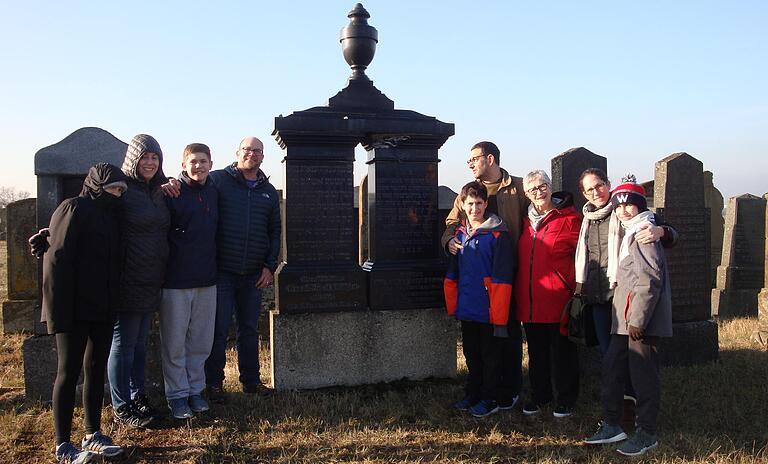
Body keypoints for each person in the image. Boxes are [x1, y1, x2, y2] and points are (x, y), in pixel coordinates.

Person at [163, 137, 280, 399]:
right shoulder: (219, 180)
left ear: (262, 157)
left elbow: (275, 231)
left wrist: (269, 266)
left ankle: (251, 381)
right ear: (237, 153)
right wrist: (171, 181)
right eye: (247, 149)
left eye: (257, 151)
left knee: (249, 329)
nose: (251, 154)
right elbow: (193, 182)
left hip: (253, 273)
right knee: (217, 329)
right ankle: (213, 383)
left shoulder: (269, 191)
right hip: (222, 270)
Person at [575, 168, 677, 422]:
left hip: (623, 292)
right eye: (589, 189)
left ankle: (632, 409)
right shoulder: (587, 217)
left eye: (599, 185)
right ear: (584, 194)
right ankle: (616, 407)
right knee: (610, 355)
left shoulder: (625, 210)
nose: (595, 192)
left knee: (632, 357)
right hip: (598, 295)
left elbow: (659, 228)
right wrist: (581, 285)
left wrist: (663, 232)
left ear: (608, 184)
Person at [42, 163, 126, 463]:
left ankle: (92, 434)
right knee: (68, 372)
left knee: (95, 369)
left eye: (120, 190)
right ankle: (63, 444)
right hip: (72, 307)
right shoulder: (73, 208)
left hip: (102, 306)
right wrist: (55, 310)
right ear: (97, 186)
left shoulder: (113, 215)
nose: (117, 194)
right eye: (113, 188)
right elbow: (56, 260)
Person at [441, 141, 528, 411]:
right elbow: (452, 224)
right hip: (475, 279)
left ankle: (509, 390)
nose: (470, 164)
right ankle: (479, 389)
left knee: (508, 337)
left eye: (473, 159)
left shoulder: (519, 187)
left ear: (489, 159)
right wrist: (449, 242)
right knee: (478, 344)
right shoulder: (465, 194)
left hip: (507, 272)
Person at [108, 134, 170, 428]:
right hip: (127, 276)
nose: (149, 162)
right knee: (124, 344)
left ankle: (138, 396)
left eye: (154, 157)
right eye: (144, 157)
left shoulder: (159, 190)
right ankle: (122, 406)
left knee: (141, 344)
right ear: (134, 159)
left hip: (152, 277)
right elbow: (92, 214)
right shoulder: (123, 190)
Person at [444, 181, 514, 418]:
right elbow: (454, 272)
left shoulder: (497, 234)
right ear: (462, 205)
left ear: (486, 204)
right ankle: (472, 393)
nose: (475, 208)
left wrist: (500, 314)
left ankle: (489, 397)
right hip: (467, 305)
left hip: (489, 307)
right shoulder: (459, 234)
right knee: (471, 354)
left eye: (479, 204)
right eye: (470, 204)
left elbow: (503, 277)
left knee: (490, 356)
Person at [515, 170, 581, 418]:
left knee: (563, 354)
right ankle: (540, 396)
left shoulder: (570, 219)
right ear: (526, 194)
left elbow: (583, 256)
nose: (538, 192)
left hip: (559, 300)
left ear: (551, 187)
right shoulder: (525, 222)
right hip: (531, 301)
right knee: (536, 353)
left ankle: (566, 398)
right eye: (532, 189)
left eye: (542, 186)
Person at [159, 143, 218, 420]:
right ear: (183, 165)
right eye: (193, 162)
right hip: (175, 281)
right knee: (175, 342)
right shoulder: (172, 192)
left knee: (200, 342)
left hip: (207, 278)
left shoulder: (214, 191)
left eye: (203, 161)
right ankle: (177, 395)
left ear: (210, 163)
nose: (198, 166)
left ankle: (196, 390)